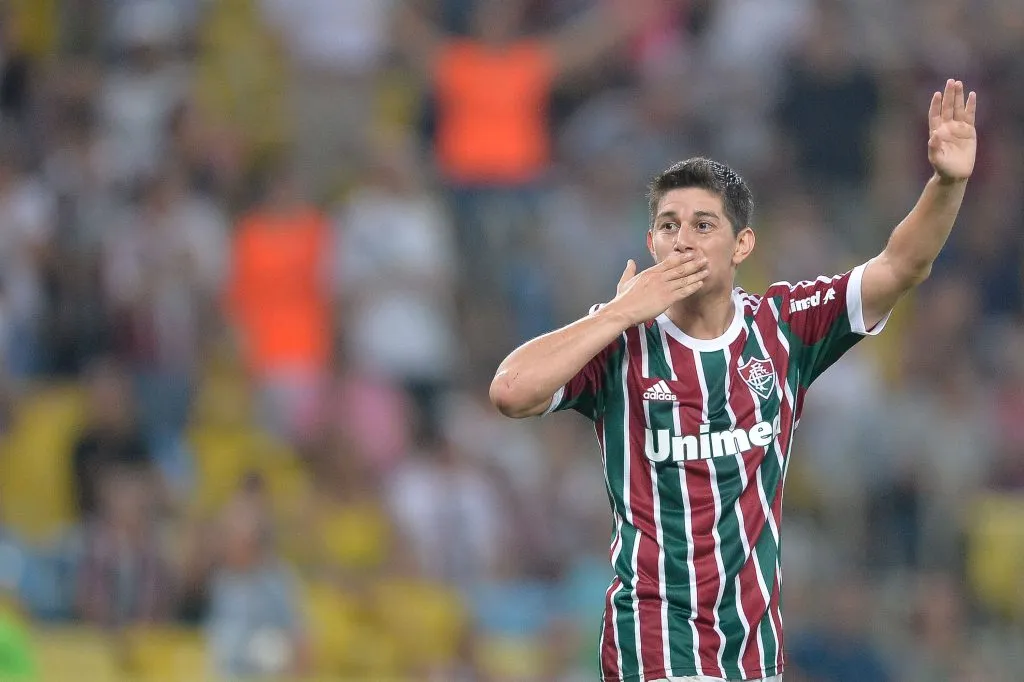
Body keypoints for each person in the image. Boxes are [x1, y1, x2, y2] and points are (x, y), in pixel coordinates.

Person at [490, 79, 977, 682]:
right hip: (653, 644)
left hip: (753, 653)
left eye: (703, 225)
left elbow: (901, 265)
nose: (683, 240)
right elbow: (510, 391)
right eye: (668, 226)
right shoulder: (620, 341)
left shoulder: (783, 327)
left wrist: (946, 183)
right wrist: (617, 313)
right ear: (650, 242)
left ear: (742, 243)